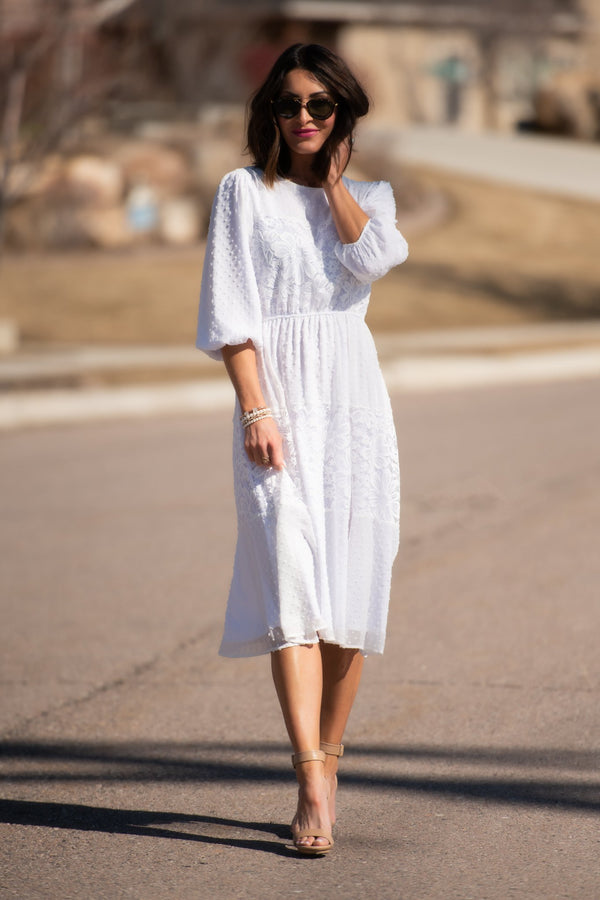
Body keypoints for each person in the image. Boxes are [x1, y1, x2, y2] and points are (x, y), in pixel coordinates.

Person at [196, 43, 408, 855]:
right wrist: (256, 408)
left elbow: (372, 260)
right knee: (291, 583)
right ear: (271, 114)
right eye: (291, 105)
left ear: (343, 115)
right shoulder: (243, 194)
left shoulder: (373, 201)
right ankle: (311, 781)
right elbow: (231, 312)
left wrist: (337, 184)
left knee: (350, 594)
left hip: (354, 409)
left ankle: (333, 755)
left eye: (322, 106)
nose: (305, 118)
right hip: (279, 408)